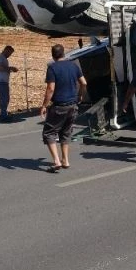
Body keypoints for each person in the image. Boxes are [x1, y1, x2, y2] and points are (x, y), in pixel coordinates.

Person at [40, 44, 87, 173]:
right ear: (63, 53)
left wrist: (44, 105)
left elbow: (50, 88)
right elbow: (84, 82)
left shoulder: (52, 68)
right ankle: (65, 160)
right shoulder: (73, 65)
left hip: (59, 105)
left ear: (52, 55)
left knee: (49, 133)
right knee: (66, 132)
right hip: (73, 105)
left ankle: (56, 161)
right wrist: (81, 95)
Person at [0, 46, 18, 122]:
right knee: (4, 98)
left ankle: (4, 113)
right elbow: (0, 68)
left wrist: (10, 70)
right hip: (0, 81)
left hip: (4, 81)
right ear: (6, 50)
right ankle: (3, 115)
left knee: (6, 98)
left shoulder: (4, 59)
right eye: (9, 53)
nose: (10, 55)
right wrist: (11, 68)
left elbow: (4, 69)